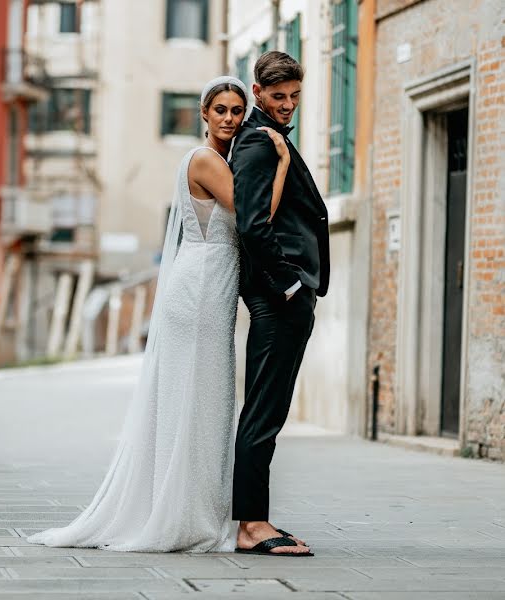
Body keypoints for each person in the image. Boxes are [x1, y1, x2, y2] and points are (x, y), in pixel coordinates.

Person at [27, 75, 295, 553]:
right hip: (199, 291)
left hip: (209, 286)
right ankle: (180, 516)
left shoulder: (217, 159)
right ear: (204, 114)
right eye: (222, 111)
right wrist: (282, 165)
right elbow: (257, 217)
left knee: (204, 401)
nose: (231, 119)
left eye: (237, 111)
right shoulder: (205, 160)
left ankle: (189, 508)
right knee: (195, 400)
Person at [231, 51, 330, 557]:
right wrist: (290, 286)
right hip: (278, 296)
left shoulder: (274, 141)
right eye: (278, 97)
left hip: (285, 293)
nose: (288, 105)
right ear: (257, 92)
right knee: (264, 411)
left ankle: (254, 519)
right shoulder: (257, 143)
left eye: (294, 96)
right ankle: (252, 525)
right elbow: (252, 224)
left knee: (268, 408)